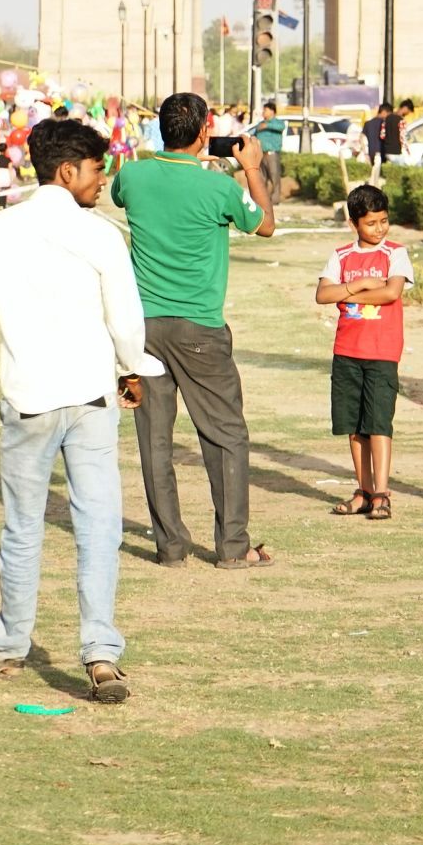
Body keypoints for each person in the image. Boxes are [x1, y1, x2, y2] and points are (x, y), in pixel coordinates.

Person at [0, 115, 154, 703]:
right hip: (90, 396)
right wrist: (134, 370)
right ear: (67, 171)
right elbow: (126, 321)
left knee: (23, 529)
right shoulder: (102, 234)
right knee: (98, 526)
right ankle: (101, 653)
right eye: (97, 170)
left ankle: (9, 647)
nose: (102, 181)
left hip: (27, 399)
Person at [112, 92, 277, 569]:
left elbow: (121, 196)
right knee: (225, 435)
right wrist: (250, 168)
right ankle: (231, 547)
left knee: (154, 438)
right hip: (200, 326)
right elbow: (265, 225)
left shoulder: (133, 175)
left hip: (143, 326)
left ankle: (171, 547)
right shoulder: (219, 187)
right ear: (206, 130)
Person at [317, 184, 412, 520]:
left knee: (378, 423)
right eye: (371, 223)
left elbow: (391, 294)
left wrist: (345, 294)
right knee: (354, 426)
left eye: (384, 221)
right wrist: (359, 285)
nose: (379, 229)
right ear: (353, 223)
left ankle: (382, 494)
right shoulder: (341, 256)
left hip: (382, 352)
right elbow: (322, 295)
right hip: (347, 351)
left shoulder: (395, 253)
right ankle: (364, 490)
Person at [361, 110, 388, 178]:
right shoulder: (384, 124)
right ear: (383, 112)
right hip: (381, 154)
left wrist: (365, 153)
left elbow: (362, 138)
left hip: (370, 154)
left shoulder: (367, 123)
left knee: (371, 176)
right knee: (377, 177)